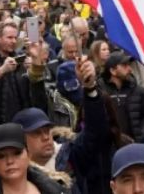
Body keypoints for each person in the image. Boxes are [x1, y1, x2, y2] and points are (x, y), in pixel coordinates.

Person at [12, 58, 108, 194]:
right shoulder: (13, 173)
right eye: (36, 133)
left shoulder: (69, 155)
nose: (46, 137)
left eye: (47, 131)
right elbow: (39, 98)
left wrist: (90, 88)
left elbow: (95, 132)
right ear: (21, 141)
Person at [0, 23, 49, 127]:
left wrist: (34, 65)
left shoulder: (22, 59)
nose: (13, 41)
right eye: (9, 37)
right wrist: (1, 71)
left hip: (22, 124)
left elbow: (38, 95)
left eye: (15, 38)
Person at [0, 122, 71, 194]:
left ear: (28, 155)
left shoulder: (56, 189)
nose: (10, 161)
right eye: (1, 156)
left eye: (17, 153)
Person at [100, 52, 144, 143]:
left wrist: (142, 136)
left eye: (129, 65)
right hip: (108, 148)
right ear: (112, 70)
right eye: (124, 65)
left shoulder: (139, 91)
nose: (130, 69)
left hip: (134, 146)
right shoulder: (100, 92)